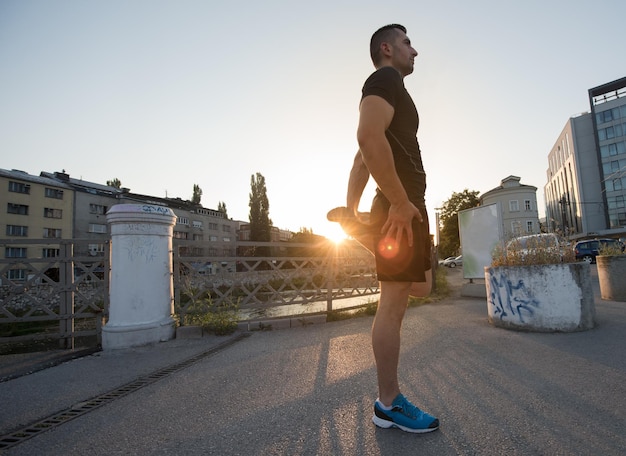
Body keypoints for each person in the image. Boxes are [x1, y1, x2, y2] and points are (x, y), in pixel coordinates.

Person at [328, 24, 438, 433]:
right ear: (387, 49)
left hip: (406, 207)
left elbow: (362, 158)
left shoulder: (394, 87)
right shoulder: (384, 78)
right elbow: (367, 136)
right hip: (400, 207)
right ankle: (388, 403)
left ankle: (363, 233)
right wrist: (395, 202)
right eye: (408, 42)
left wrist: (352, 213)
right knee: (393, 305)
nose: (415, 50)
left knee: (423, 286)